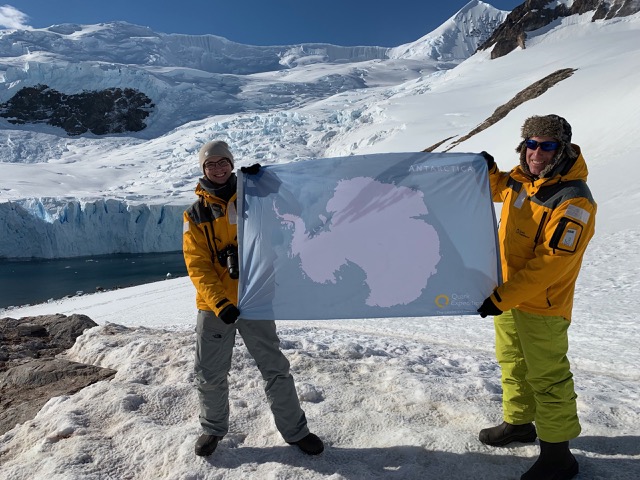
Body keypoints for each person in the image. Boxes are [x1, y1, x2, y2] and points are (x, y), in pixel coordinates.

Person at [182, 140, 324, 457]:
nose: (218, 168)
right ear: (203, 169)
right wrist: (221, 304)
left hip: (256, 297)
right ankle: (212, 429)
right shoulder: (195, 214)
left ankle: (296, 432)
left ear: (231, 164)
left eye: (223, 162)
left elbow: (294, 213)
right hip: (215, 306)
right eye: (211, 164)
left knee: (275, 369)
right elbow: (198, 264)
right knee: (210, 373)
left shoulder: (254, 197)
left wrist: (269, 183)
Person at [477, 115, 596, 480]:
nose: (537, 153)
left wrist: (501, 297)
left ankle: (559, 456)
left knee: (548, 378)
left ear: (561, 149)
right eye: (531, 144)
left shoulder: (575, 201)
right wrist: (487, 170)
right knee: (511, 363)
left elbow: (551, 263)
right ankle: (519, 424)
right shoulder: (520, 180)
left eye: (547, 145)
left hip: (543, 306)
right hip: (509, 297)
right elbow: (499, 189)